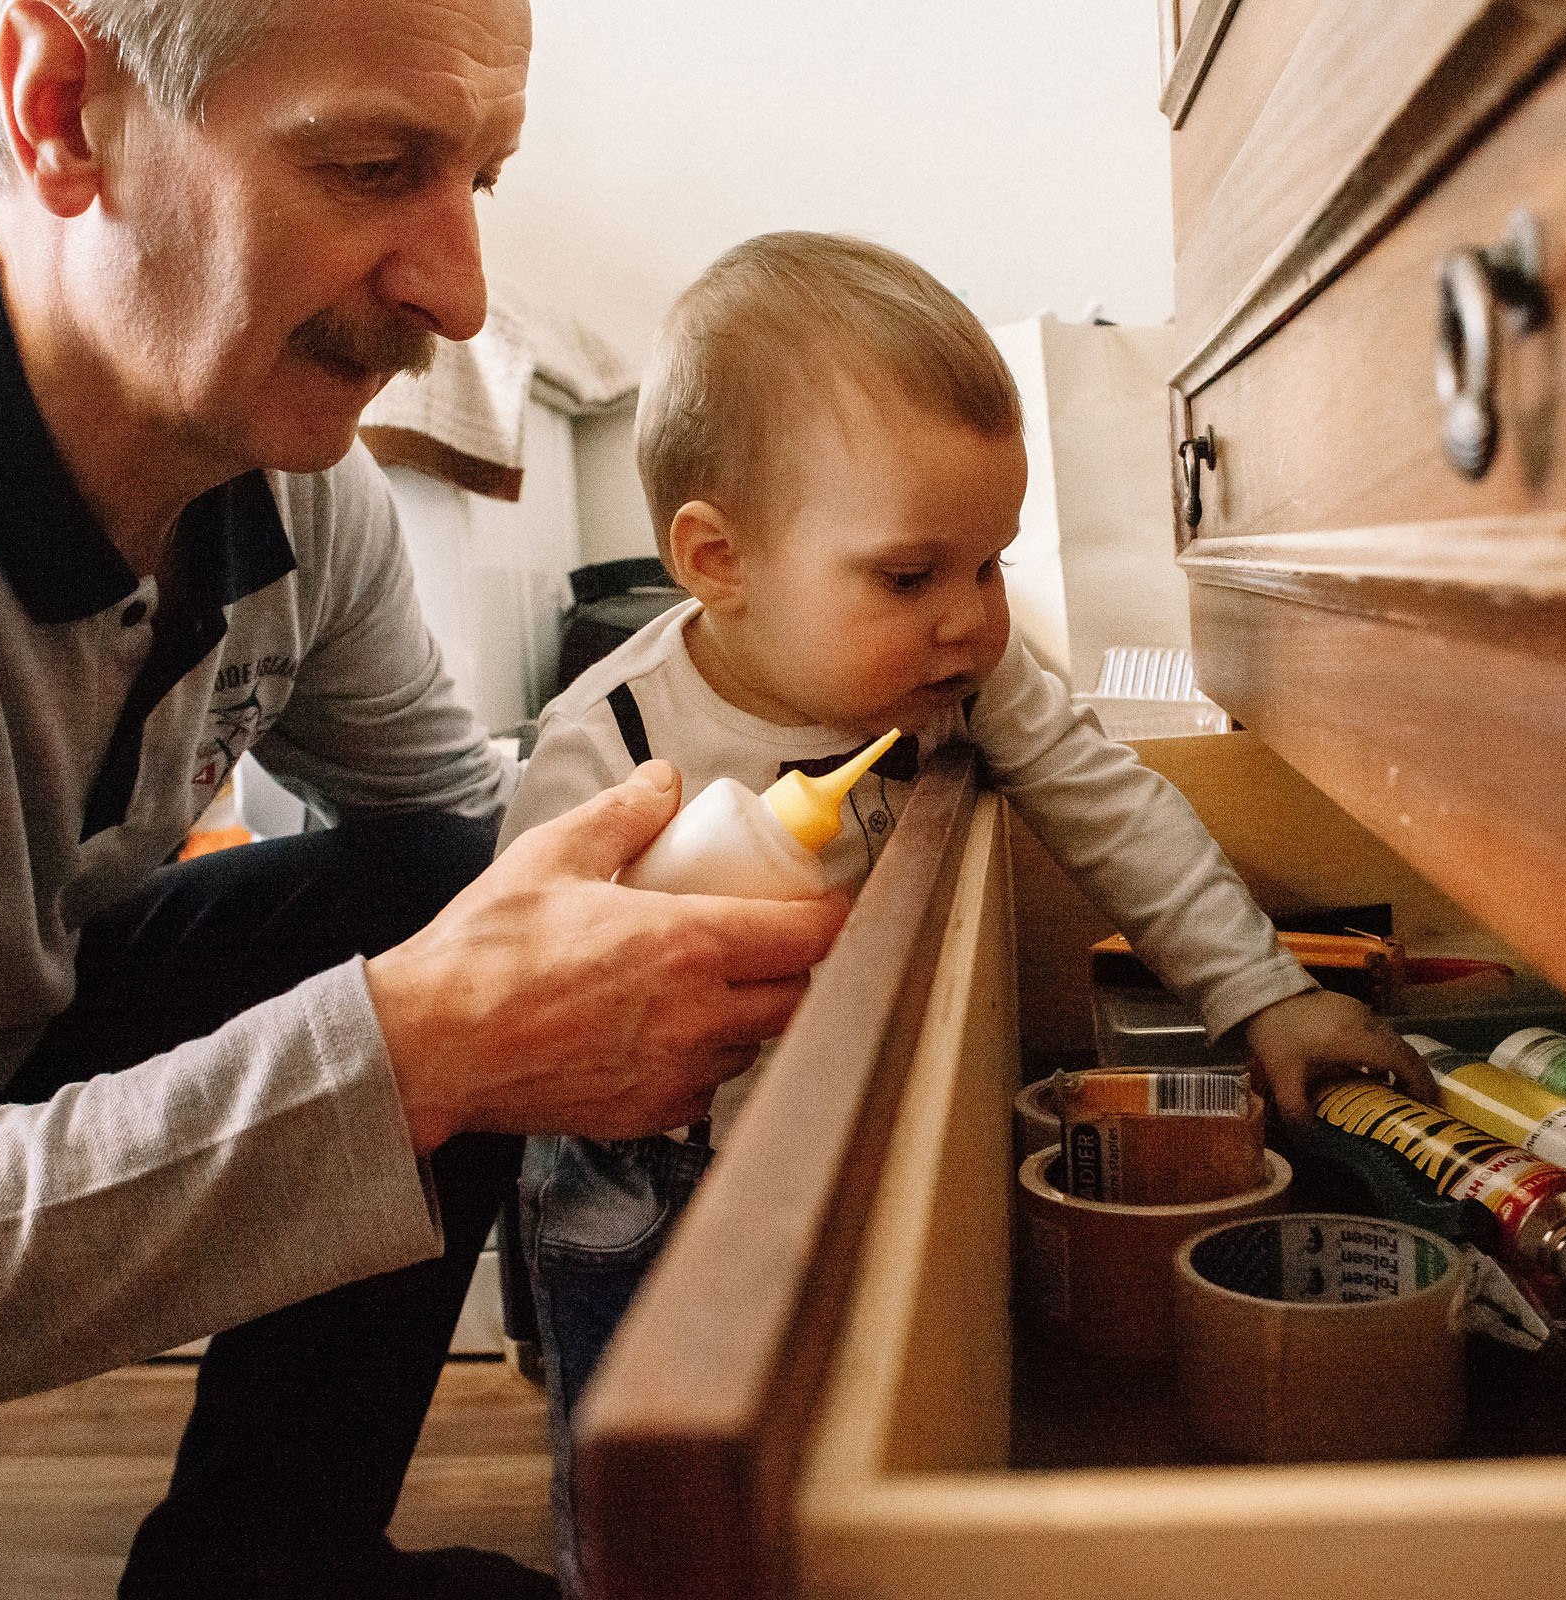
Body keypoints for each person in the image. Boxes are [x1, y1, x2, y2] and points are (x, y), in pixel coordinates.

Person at [0, 2, 847, 1596]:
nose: (461, 294)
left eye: (479, 178)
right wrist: (411, 1057)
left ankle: (265, 1560)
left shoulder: (287, 494)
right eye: (373, 167)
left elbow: (485, 864)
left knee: (444, 883)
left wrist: (765, 798)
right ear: (63, 108)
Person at [501, 231, 1435, 1597]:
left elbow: (1115, 810)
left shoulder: (968, 687)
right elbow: (522, 985)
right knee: (647, 1477)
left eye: (990, 565)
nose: (970, 621)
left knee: (833, 1460)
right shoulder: (611, 747)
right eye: (910, 577)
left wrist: (1265, 996)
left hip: (859, 1143)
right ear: (718, 559)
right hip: (651, 1177)